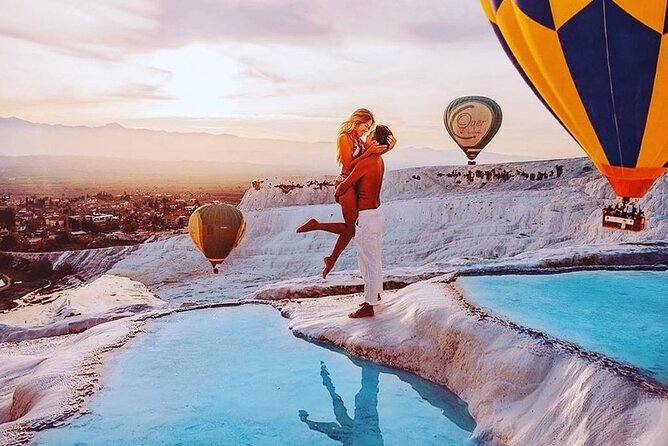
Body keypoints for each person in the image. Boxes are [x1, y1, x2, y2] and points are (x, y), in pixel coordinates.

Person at [296, 109, 396, 279]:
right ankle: (316, 226)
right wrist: (371, 151)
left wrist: (387, 148)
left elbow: (368, 160)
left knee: (353, 229)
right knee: (353, 229)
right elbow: (349, 165)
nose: (366, 130)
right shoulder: (344, 138)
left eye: (369, 127)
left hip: (355, 184)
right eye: (365, 126)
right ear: (357, 121)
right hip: (346, 184)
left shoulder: (358, 139)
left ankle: (331, 259)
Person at [335, 128, 390, 318]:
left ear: (375, 141)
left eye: (369, 136)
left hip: (367, 217)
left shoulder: (367, 162)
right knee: (374, 258)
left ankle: (369, 305)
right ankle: (375, 294)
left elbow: (345, 184)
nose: (366, 138)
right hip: (378, 213)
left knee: (367, 260)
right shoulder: (379, 160)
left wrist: (337, 189)